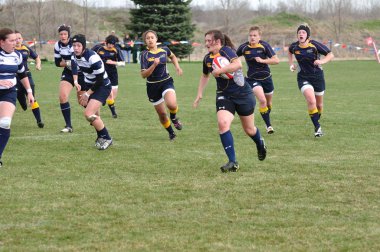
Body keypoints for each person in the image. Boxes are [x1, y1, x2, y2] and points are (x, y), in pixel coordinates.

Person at [193, 29, 267, 173]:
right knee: (223, 123)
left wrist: (220, 70)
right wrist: (200, 93)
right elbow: (205, 75)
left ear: (218, 42)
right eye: (205, 40)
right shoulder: (207, 59)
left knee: (249, 130)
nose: (206, 43)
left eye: (209, 40)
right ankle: (232, 162)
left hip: (243, 94)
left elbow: (238, 64)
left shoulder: (227, 51)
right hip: (224, 95)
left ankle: (260, 143)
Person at [288, 24, 334, 137]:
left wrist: (322, 61)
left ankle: (316, 123)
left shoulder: (314, 45)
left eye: (303, 33)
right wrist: (291, 64)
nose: (300, 34)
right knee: (311, 101)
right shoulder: (294, 46)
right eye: (299, 33)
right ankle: (318, 128)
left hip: (317, 77)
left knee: (319, 105)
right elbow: (289, 52)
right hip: (303, 77)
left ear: (307, 35)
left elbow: (330, 54)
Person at [71, 34, 113, 150]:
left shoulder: (92, 57)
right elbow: (75, 67)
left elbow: (100, 80)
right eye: (74, 45)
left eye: (78, 45)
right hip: (91, 85)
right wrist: (76, 82)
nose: (75, 48)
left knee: (88, 114)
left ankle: (107, 138)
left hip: (102, 86)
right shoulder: (74, 56)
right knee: (95, 115)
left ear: (83, 46)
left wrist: (87, 93)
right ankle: (101, 136)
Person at [0, 28, 35, 167]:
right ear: (2, 42)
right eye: (12, 40)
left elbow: (22, 74)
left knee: (5, 122)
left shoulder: (17, 56)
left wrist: (29, 92)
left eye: (16, 40)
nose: (15, 43)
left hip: (8, 92)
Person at [140, 30, 183, 141]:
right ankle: (171, 133)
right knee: (163, 114)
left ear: (156, 39)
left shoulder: (164, 50)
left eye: (152, 37)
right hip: (152, 86)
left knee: (172, 105)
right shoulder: (144, 55)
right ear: (145, 41)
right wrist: (154, 65)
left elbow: (173, 57)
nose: (150, 39)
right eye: (147, 38)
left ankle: (174, 118)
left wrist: (177, 67)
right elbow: (143, 75)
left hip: (166, 81)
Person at [237, 26, 279, 134]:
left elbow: (276, 60)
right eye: (250, 35)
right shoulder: (244, 47)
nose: (252, 37)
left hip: (267, 78)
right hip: (252, 79)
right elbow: (233, 57)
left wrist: (262, 60)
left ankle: (266, 117)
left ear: (259, 36)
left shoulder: (264, 46)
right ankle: (268, 126)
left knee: (268, 104)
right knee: (262, 100)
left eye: (255, 35)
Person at [15, 30, 44, 128]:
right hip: (15, 78)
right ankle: (22, 102)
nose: (17, 40)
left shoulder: (26, 48)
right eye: (15, 39)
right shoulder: (9, 50)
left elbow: (37, 57)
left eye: (19, 38)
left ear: (22, 39)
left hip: (27, 75)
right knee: (23, 105)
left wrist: (38, 64)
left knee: (32, 98)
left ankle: (39, 120)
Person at [92, 35, 125, 118]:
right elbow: (89, 54)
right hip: (101, 74)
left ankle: (103, 99)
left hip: (113, 74)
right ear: (106, 42)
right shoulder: (98, 48)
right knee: (109, 94)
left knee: (113, 96)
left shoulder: (116, 50)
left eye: (113, 44)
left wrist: (113, 62)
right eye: (109, 44)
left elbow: (123, 63)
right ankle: (114, 113)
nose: (111, 46)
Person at [54, 24, 78, 133]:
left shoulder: (74, 44)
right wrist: (68, 63)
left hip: (81, 73)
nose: (63, 36)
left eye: (65, 34)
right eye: (61, 34)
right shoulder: (57, 45)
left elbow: (76, 63)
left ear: (69, 35)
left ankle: (96, 117)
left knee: (83, 101)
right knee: (63, 96)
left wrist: (69, 62)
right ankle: (68, 126)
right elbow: (57, 63)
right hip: (68, 72)